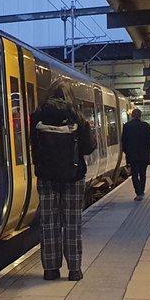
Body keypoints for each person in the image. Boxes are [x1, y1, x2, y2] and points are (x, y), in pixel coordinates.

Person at [30, 88, 96, 281]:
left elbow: (33, 145)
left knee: (49, 222)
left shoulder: (37, 117)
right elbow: (88, 147)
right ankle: (74, 270)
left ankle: (50, 270)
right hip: (74, 176)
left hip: (46, 177)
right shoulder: (77, 117)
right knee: (72, 223)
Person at [121, 108, 150, 201]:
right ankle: (142, 191)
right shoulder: (145, 126)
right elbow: (149, 141)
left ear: (132, 116)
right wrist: (149, 151)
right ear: (140, 116)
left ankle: (138, 192)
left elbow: (124, 141)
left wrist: (127, 152)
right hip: (144, 154)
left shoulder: (127, 126)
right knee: (143, 173)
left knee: (134, 174)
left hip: (132, 155)